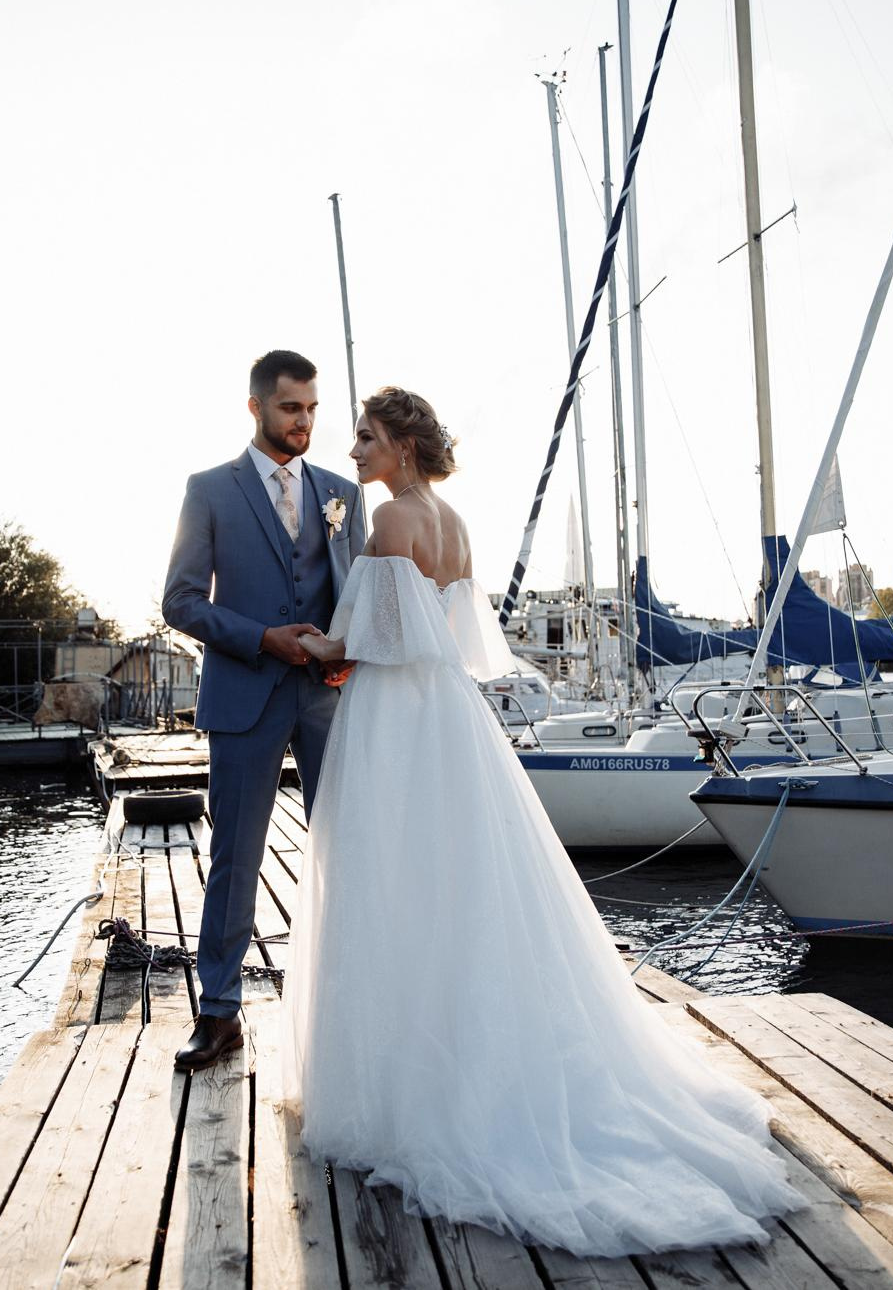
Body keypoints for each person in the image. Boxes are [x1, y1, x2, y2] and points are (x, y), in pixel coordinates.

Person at [286, 386, 806, 1255]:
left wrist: (314, 645)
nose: (355, 450)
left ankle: (408, 1085)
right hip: (452, 716)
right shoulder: (452, 521)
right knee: (463, 883)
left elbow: (373, 641)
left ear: (404, 444)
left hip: (395, 719)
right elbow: (459, 642)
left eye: (367, 437)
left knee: (393, 884)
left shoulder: (385, 527)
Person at [162, 350, 368, 1072]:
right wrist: (260, 638)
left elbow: (361, 596)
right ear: (256, 407)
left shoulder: (344, 492)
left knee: (349, 851)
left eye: (311, 408)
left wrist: (347, 647)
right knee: (234, 860)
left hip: (328, 697)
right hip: (245, 694)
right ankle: (218, 1014)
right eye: (290, 408)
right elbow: (180, 601)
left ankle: (354, 1006)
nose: (304, 421)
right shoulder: (210, 490)